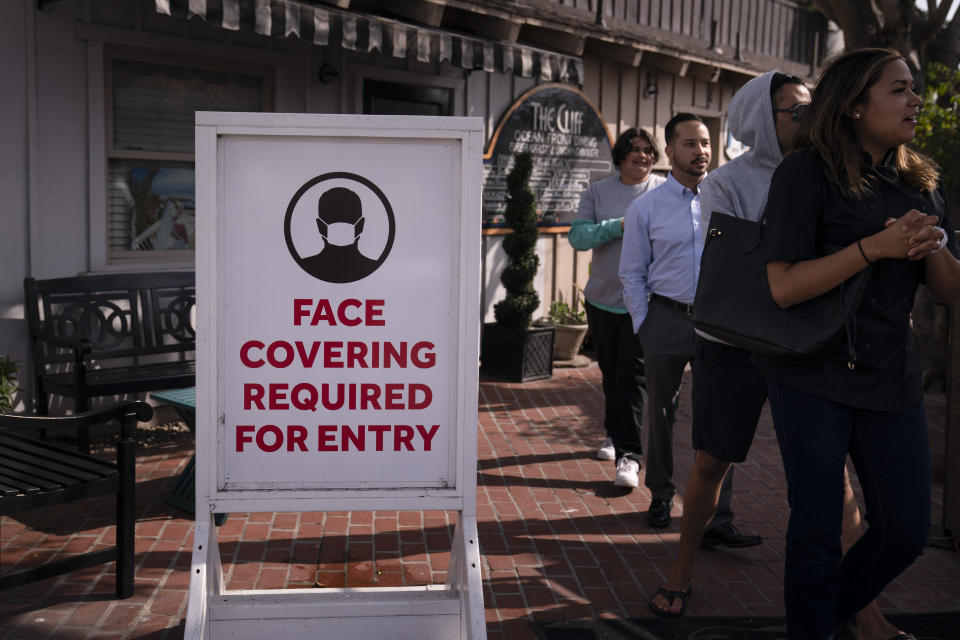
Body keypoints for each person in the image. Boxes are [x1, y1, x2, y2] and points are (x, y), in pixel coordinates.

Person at [649, 71, 922, 640]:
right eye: (794, 111)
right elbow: (738, 268)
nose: (807, 117)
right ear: (759, 120)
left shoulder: (840, 171)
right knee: (710, 462)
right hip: (738, 341)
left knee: (835, 486)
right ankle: (681, 570)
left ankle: (863, 616)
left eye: (812, 107)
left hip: (816, 344)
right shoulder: (726, 182)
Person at [761, 48, 960, 639]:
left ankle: (821, 615)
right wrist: (876, 248)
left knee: (905, 530)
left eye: (913, 88)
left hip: (889, 373)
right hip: (810, 375)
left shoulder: (918, 180)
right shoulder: (804, 173)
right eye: (899, 89)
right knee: (818, 530)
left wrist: (934, 244)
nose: (915, 100)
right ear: (853, 104)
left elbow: (947, 290)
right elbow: (783, 287)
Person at [619, 113, 759, 539]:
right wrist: (645, 325)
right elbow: (632, 272)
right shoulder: (646, 206)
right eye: (690, 144)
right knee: (661, 414)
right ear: (670, 150)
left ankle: (719, 518)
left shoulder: (730, 201)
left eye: (705, 143)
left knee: (720, 418)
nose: (701, 152)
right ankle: (661, 493)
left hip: (720, 323)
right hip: (666, 320)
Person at [569, 128, 665, 489]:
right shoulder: (598, 192)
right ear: (621, 155)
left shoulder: (663, 191)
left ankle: (630, 457)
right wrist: (618, 226)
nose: (642, 156)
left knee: (632, 377)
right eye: (634, 150)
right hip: (602, 300)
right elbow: (578, 237)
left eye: (648, 151)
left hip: (647, 302)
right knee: (611, 373)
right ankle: (613, 433)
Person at [301, 187, 380, 283]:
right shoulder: (373, 269)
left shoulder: (304, 267)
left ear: (320, 226)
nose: (341, 230)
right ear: (361, 225)